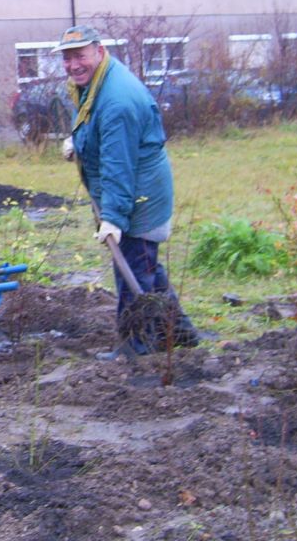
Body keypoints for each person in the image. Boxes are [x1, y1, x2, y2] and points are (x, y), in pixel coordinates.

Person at [55, 24, 199, 359]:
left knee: (132, 271)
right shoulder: (98, 82)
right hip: (135, 191)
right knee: (146, 267)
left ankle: (136, 349)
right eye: (67, 57)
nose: (73, 64)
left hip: (140, 197)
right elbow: (99, 131)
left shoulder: (117, 99)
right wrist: (79, 142)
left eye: (80, 55)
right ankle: (181, 332)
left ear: (99, 51)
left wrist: (113, 219)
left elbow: (118, 165)